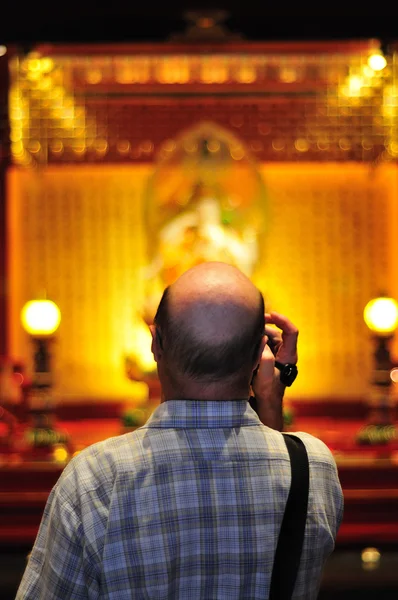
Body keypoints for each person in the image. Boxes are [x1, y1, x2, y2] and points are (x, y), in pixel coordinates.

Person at [16, 261, 343, 599]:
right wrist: (271, 400)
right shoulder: (314, 466)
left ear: (156, 343)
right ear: (260, 354)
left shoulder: (94, 479)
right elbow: (278, 502)